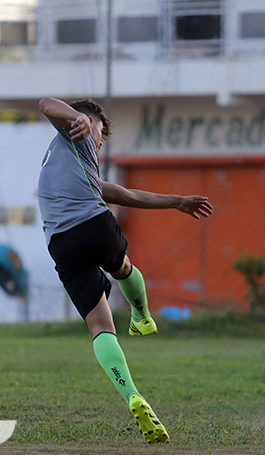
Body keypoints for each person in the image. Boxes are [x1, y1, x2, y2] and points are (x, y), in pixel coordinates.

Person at [36, 97, 213, 443]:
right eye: (101, 133)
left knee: (100, 327)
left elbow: (124, 193)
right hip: (93, 225)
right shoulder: (77, 132)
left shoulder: (70, 164)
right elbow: (45, 104)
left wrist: (176, 201)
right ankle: (142, 314)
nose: (100, 142)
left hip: (60, 243)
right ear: (88, 122)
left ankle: (132, 394)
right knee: (123, 268)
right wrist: (82, 121)